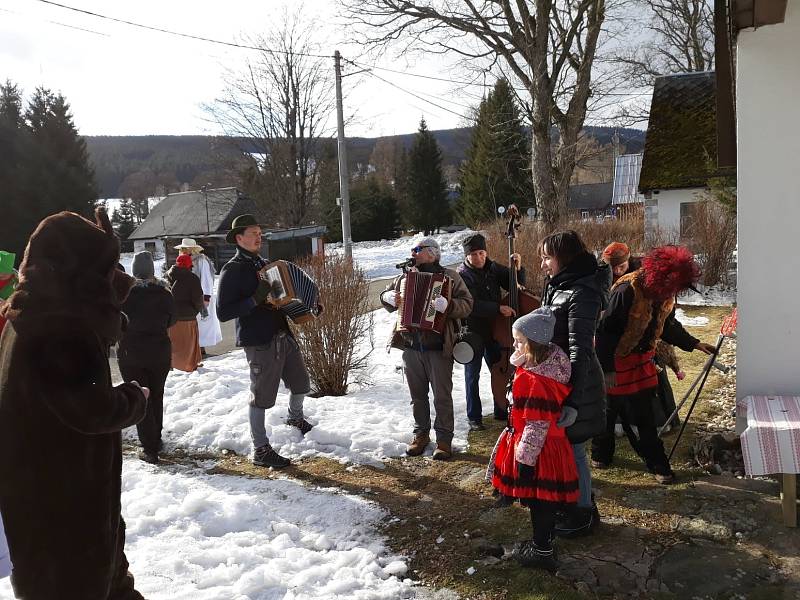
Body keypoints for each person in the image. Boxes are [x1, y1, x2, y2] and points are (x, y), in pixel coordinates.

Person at [0, 208, 148, 599]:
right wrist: (135, 397)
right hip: (65, 518)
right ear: (78, 270)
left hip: (55, 508)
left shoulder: (28, 314)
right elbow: (92, 409)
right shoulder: (60, 328)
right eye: (106, 267)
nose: (113, 278)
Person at [593, 245, 715, 484]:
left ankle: (658, 464)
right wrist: (606, 369)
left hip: (642, 361)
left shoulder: (665, 293)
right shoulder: (627, 290)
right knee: (608, 413)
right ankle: (601, 454)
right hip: (615, 361)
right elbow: (605, 333)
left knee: (646, 417)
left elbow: (667, 325)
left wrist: (694, 343)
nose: (672, 291)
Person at [216, 214, 316, 469]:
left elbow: (282, 298)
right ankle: (260, 449)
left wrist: (308, 306)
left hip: (282, 333)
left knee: (301, 383)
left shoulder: (265, 263)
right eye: (253, 233)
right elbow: (223, 312)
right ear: (239, 238)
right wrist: (254, 299)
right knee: (261, 396)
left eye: (260, 233)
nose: (259, 237)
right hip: (259, 340)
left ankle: (295, 419)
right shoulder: (232, 269)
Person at [490, 307, 578, 572]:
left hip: (539, 451)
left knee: (541, 501)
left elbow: (536, 424)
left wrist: (525, 462)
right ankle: (545, 540)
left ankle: (542, 551)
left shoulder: (537, 381)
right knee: (544, 500)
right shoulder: (543, 365)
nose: (514, 344)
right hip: (547, 446)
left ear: (533, 344)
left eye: (519, 341)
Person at [538, 230, 610, 538]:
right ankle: (570, 501)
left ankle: (582, 512)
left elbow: (581, 348)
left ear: (563, 258)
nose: (543, 264)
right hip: (555, 378)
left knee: (576, 448)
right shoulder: (559, 284)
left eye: (547, 257)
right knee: (562, 448)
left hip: (575, 382)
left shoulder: (584, 290)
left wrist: (573, 400)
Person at [381, 237, 473, 460]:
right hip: (411, 346)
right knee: (417, 396)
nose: (413, 253)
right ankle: (420, 434)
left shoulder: (450, 277)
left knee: (442, 396)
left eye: (417, 249)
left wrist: (449, 306)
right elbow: (385, 296)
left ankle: (444, 440)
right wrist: (387, 297)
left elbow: (468, 304)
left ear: (432, 253)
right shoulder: (405, 276)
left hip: (438, 348)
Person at [457, 233, 524, 429]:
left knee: (499, 372)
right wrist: (497, 308)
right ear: (467, 256)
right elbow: (470, 305)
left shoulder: (493, 268)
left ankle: (501, 409)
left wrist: (517, 268)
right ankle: (474, 417)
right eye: (473, 255)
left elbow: (516, 285)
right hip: (473, 331)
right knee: (472, 375)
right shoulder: (462, 275)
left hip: (496, 331)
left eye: (481, 253)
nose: (478, 258)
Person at [119, 251, 176, 464]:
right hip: (159, 351)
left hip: (131, 353)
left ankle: (149, 446)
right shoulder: (164, 293)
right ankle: (156, 438)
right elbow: (172, 320)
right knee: (156, 394)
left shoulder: (123, 295)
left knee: (140, 396)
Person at [175, 238, 223, 354]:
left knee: (201, 325)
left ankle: (201, 350)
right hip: (189, 298)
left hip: (200, 297)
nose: (183, 250)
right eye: (182, 248)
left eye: (185, 248)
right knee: (192, 325)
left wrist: (206, 298)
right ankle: (194, 349)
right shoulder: (182, 262)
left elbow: (207, 279)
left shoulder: (201, 260)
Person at [166, 253, 204, 373]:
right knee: (188, 345)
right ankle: (188, 366)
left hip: (170, 317)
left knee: (173, 344)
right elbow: (198, 299)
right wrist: (197, 311)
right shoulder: (192, 278)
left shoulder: (167, 276)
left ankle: (172, 365)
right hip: (187, 316)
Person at [0, 251, 17, 335]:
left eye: (4, 272)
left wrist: (6, 304)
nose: (1, 274)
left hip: (7, 327)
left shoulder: (18, 284)